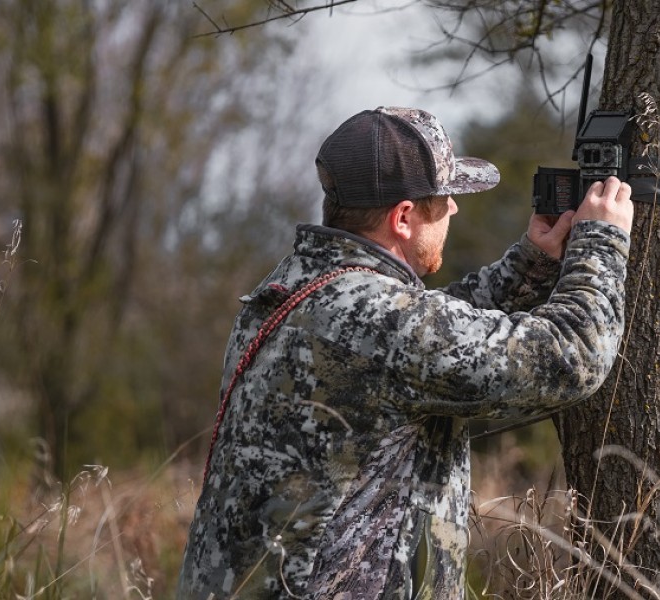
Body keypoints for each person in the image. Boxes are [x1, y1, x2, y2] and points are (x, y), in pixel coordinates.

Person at [178, 106, 634, 599]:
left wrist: (532, 264)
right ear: (403, 218)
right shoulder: (381, 320)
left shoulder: (294, 286)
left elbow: (414, 351)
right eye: (443, 199)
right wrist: (602, 240)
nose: (455, 209)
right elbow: (574, 355)